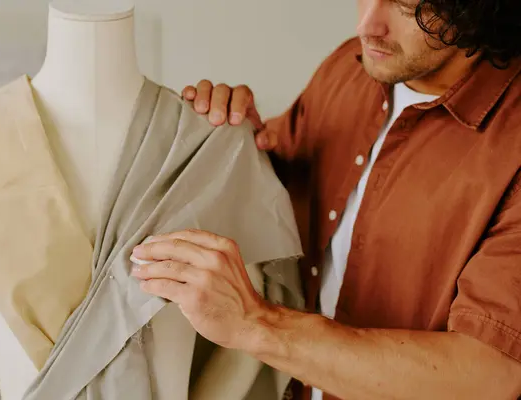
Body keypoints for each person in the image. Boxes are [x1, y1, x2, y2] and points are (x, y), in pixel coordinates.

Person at [130, 1, 521, 399]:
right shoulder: (350, 67)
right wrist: (239, 143)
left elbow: (490, 375)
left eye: (406, 6)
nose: (368, 26)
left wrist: (255, 324)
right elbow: (286, 180)